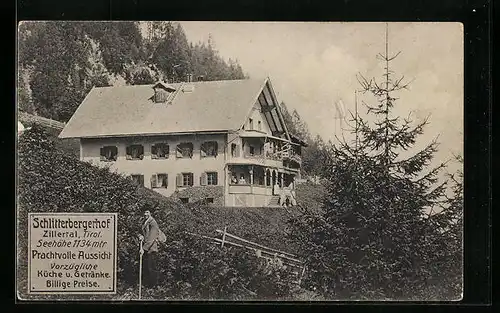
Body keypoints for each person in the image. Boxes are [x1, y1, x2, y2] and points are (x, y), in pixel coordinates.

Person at [139, 210, 160, 288]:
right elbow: (142, 232)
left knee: (152, 267)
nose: (145, 214)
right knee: (147, 267)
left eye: (147, 212)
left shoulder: (153, 222)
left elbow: (152, 237)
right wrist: (140, 236)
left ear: (151, 213)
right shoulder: (145, 222)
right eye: (144, 212)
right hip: (147, 247)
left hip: (152, 248)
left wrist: (143, 249)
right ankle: (147, 285)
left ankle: (154, 286)